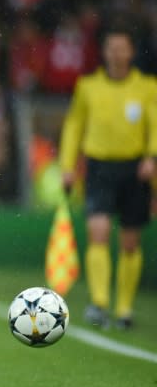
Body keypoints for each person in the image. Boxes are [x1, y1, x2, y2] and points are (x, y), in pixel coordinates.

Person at [59, 27, 157, 330]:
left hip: (134, 168)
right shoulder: (88, 86)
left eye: (121, 48)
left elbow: (155, 123)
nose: (116, 53)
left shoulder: (147, 87)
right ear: (104, 52)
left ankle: (124, 308)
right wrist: (67, 165)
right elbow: (74, 125)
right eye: (111, 48)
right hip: (99, 166)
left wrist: (151, 156)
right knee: (98, 231)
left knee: (129, 241)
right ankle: (100, 302)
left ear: (130, 53)